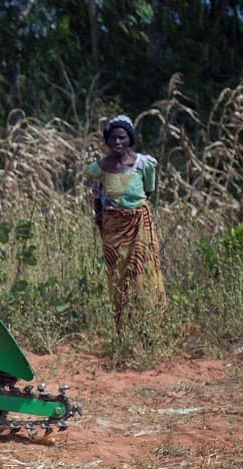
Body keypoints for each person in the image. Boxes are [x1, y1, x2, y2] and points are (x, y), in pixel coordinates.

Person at [85, 114, 167, 332]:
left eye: (121, 137)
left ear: (130, 139)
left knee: (144, 270)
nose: (117, 143)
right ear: (107, 141)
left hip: (140, 224)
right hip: (113, 226)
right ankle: (123, 325)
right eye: (112, 139)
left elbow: (148, 191)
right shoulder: (98, 168)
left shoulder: (144, 164)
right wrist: (100, 220)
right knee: (118, 273)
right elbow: (96, 197)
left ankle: (150, 324)